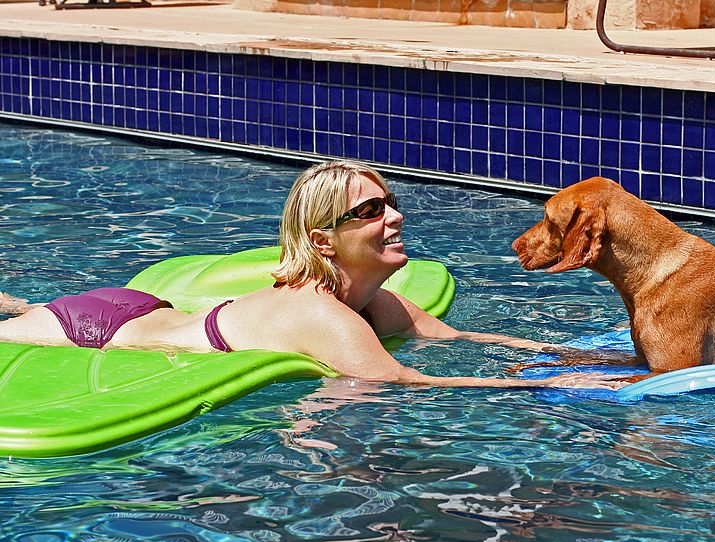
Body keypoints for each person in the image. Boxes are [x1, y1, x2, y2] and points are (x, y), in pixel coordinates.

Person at [0, 160, 626, 391]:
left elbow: (465, 345)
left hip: (143, 301)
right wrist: (563, 387)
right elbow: (407, 380)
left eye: (391, 203)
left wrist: (595, 358)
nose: (395, 217)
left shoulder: (371, 299)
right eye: (371, 211)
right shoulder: (317, 313)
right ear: (325, 239)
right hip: (94, 330)